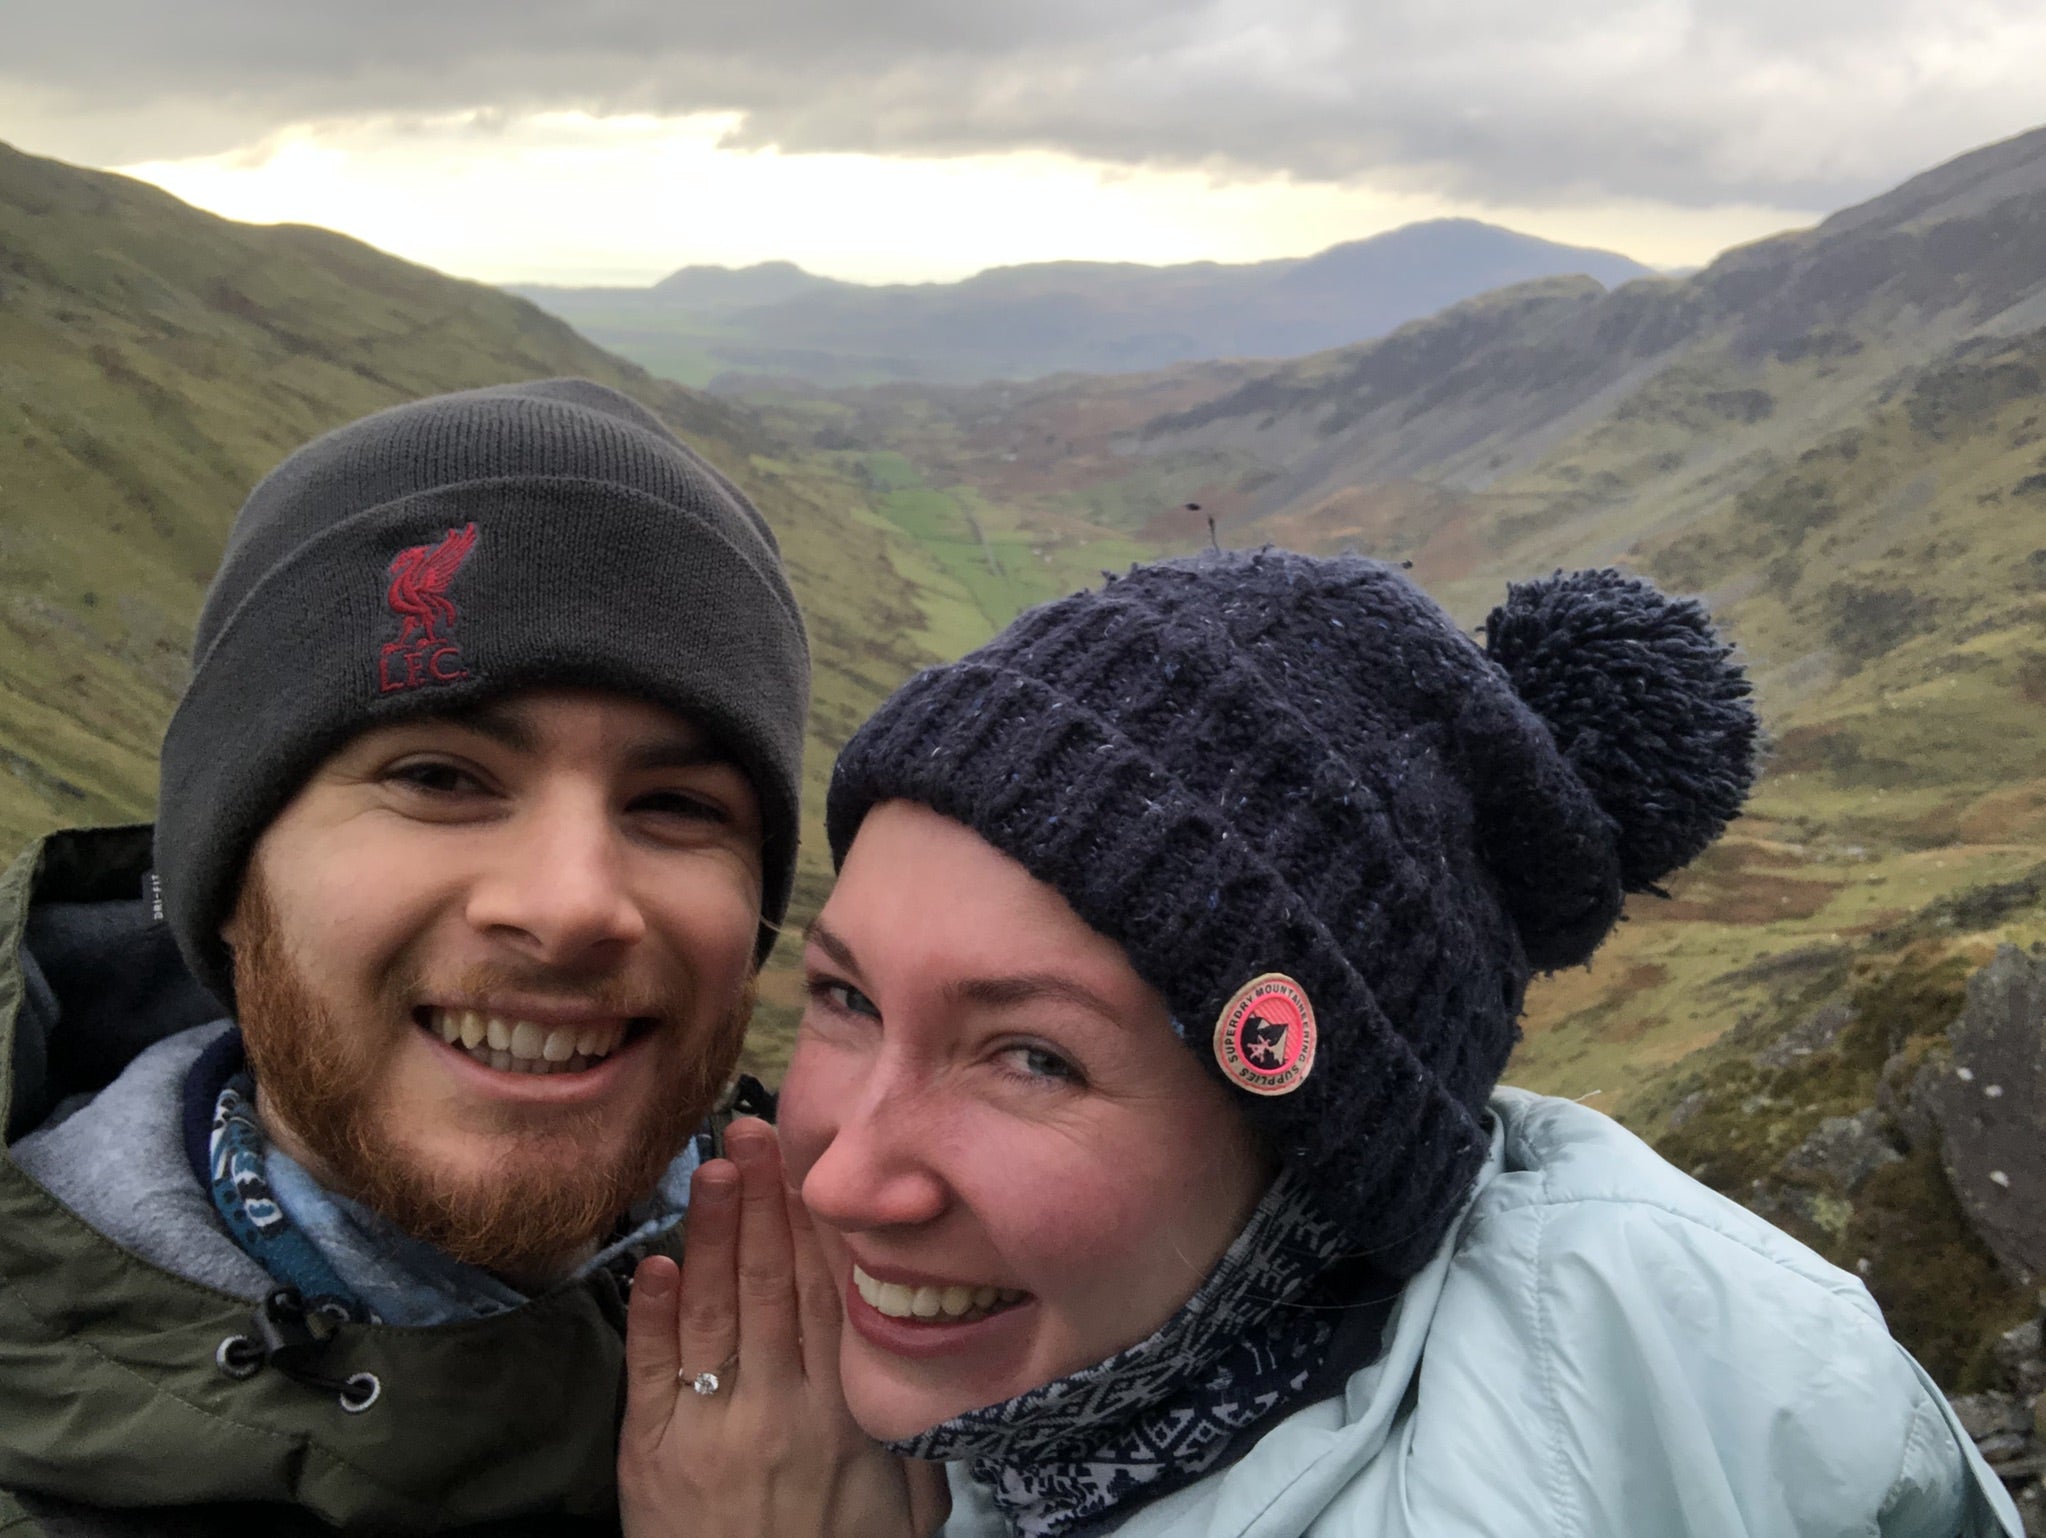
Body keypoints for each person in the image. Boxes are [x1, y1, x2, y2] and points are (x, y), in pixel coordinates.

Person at [621, 549, 2022, 1537]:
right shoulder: (1083, 1381)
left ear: (1319, 1154)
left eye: (1031, 1057)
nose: (846, 1177)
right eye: (848, 999)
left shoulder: (1685, 1445)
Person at [0, 379, 820, 1534]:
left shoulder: (914, 1356)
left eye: (678, 802)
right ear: (228, 875)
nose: (573, 904)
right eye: (438, 777)